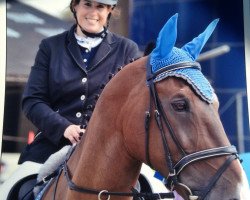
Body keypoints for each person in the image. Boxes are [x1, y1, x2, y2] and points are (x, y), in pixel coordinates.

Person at [18, 0, 141, 165]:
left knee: (149, 187)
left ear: (110, 10)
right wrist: (64, 128)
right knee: (19, 187)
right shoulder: (50, 47)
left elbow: (136, 105)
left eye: (100, 7)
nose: (93, 12)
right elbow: (32, 101)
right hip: (52, 145)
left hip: (108, 151)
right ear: (75, 5)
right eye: (87, 4)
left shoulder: (127, 49)